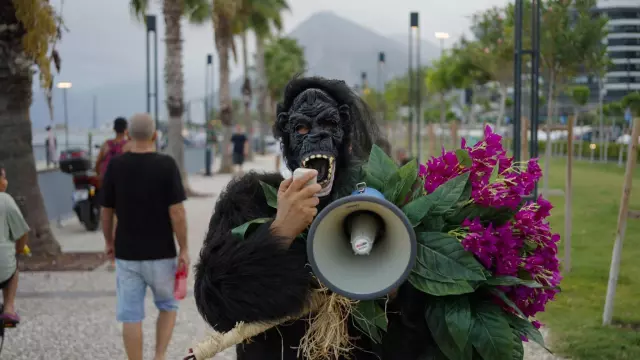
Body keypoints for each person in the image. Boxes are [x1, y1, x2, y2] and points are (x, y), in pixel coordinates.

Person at [191, 77, 435, 359]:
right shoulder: (249, 200)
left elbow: (415, 325)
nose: (316, 136)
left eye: (329, 125)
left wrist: (395, 290)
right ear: (287, 137)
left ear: (345, 132)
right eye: (302, 127)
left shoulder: (377, 199)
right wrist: (280, 232)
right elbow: (215, 304)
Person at [100, 113, 189, 360]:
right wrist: (183, 248)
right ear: (154, 135)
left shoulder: (116, 166)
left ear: (128, 134)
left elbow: (106, 212)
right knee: (168, 306)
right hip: (162, 254)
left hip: (127, 255)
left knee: (131, 315)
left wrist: (108, 242)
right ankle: (159, 356)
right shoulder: (166, 165)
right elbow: (178, 213)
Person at [0, 165, 29, 324]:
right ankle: (9, 308)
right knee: (13, 268)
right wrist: (19, 249)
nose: (6, 181)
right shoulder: (5, 199)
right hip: (2, 267)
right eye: (3, 177)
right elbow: (23, 232)